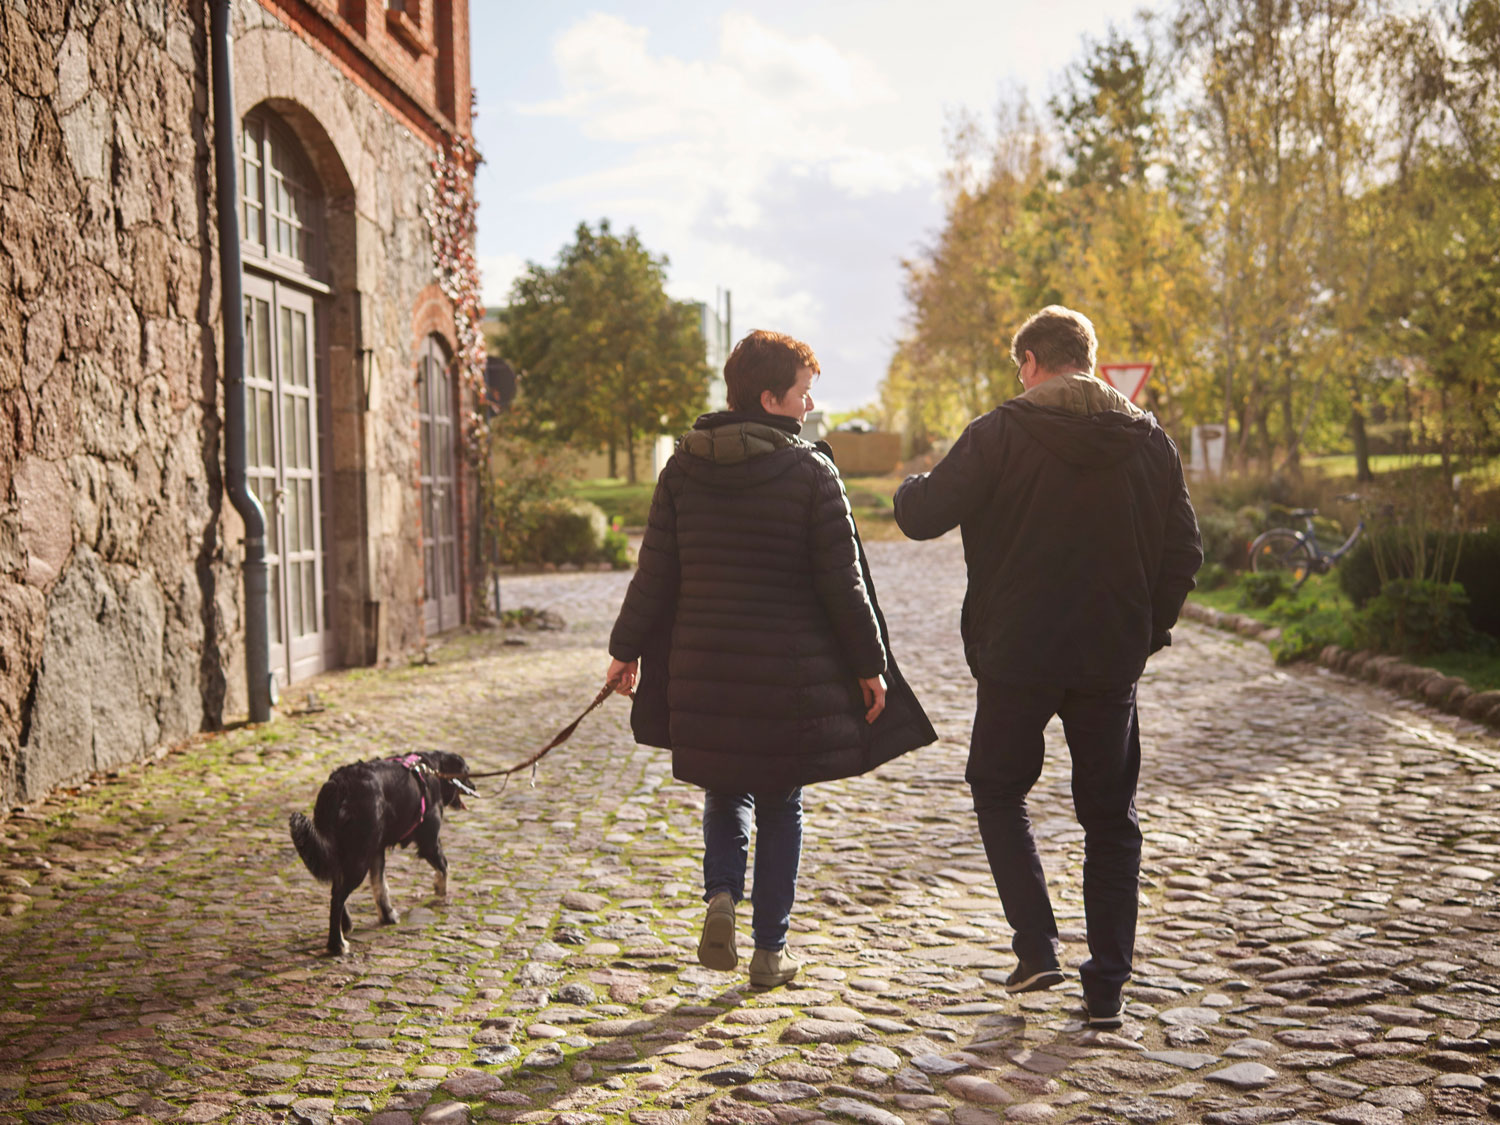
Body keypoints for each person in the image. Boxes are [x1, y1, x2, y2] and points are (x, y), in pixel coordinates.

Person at [892, 306, 1202, 1029]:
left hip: (1017, 655)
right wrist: (1145, 631)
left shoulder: (1000, 432)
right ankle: (1108, 986)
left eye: (1018, 366)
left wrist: (911, 481)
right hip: (1106, 660)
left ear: (1031, 360)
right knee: (1110, 820)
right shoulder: (1148, 440)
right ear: (1088, 358)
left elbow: (923, 514)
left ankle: (1036, 944)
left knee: (998, 790)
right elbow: (1184, 551)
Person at [606, 329, 935, 988]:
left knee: (726, 791)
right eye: (803, 394)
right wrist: (870, 667)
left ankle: (721, 895)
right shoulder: (811, 471)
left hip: (706, 670)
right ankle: (769, 951)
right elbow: (843, 584)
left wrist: (624, 650)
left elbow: (655, 571)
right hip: (788, 677)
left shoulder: (682, 467)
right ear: (769, 397)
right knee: (781, 802)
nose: (811, 406)